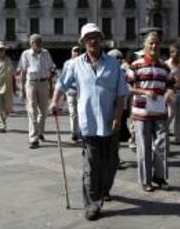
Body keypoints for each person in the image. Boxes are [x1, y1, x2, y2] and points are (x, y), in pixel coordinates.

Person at [49, 23, 129, 221]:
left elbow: (121, 95)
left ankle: (102, 191)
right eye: (89, 37)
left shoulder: (113, 64)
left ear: (101, 39)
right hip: (88, 123)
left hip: (111, 123)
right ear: (83, 42)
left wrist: (118, 119)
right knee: (92, 165)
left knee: (111, 164)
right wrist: (54, 102)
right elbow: (61, 84)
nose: (93, 40)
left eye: (96, 36)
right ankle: (92, 203)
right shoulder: (74, 64)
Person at [127, 31, 173, 192]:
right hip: (141, 113)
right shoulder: (136, 65)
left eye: (156, 43)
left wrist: (169, 92)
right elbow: (127, 87)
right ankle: (145, 180)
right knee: (144, 147)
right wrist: (144, 92)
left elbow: (171, 85)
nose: (154, 46)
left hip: (160, 112)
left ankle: (159, 177)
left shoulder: (164, 66)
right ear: (144, 45)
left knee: (162, 146)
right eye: (151, 43)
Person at [19, 34, 56, 149]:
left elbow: (51, 68)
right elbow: (23, 73)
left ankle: (40, 132)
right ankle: (33, 138)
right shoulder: (26, 54)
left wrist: (51, 86)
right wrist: (22, 89)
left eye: (40, 41)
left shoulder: (46, 53)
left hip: (44, 83)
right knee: (32, 111)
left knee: (44, 111)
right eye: (36, 42)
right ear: (31, 44)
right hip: (31, 84)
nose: (39, 44)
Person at [166, 44, 180, 145]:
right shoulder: (166, 65)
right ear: (171, 53)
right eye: (175, 52)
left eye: (179, 53)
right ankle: (163, 134)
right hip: (170, 92)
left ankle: (179, 138)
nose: (177, 55)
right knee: (170, 114)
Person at [62, 46, 81, 142]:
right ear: (71, 52)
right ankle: (74, 133)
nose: (76, 53)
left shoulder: (83, 62)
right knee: (73, 113)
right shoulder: (67, 63)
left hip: (81, 92)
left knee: (81, 112)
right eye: (75, 51)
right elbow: (63, 78)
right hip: (71, 90)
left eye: (78, 51)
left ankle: (80, 131)